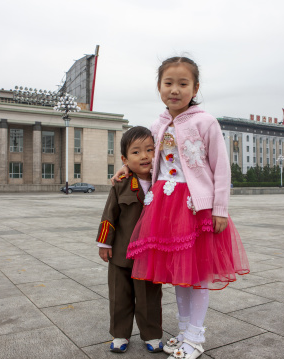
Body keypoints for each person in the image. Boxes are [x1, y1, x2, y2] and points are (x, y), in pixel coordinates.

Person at [114, 56, 250, 359]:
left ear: (195, 87)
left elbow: (221, 168)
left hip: (194, 207)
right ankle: (184, 331)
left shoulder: (206, 121)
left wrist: (220, 209)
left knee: (197, 274)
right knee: (178, 273)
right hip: (164, 205)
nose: (175, 90)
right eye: (168, 83)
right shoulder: (157, 123)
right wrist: (128, 170)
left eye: (183, 84)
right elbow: (150, 162)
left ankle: (196, 337)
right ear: (159, 87)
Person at [96, 126, 163, 354]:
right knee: (119, 296)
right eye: (136, 152)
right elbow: (109, 215)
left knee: (149, 298)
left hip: (149, 254)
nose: (144, 156)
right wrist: (104, 244)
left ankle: (152, 334)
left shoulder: (162, 183)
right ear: (125, 159)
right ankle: (120, 334)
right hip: (121, 253)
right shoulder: (121, 183)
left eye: (149, 150)